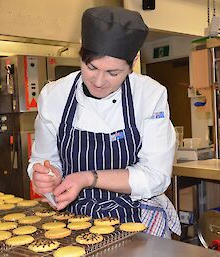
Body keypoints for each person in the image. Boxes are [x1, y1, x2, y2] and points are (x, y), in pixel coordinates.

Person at [28, 6, 181, 238]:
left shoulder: (149, 96)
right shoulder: (55, 96)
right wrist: (47, 176)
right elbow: (44, 159)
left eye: (113, 73)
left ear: (134, 61)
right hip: (72, 224)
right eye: (91, 67)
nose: (99, 81)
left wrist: (89, 178)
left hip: (135, 223)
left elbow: (155, 176)